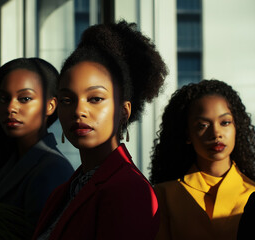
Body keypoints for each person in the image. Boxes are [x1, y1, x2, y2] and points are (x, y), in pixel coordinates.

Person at [32, 20, 168, 240]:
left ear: (124, 111)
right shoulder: (64, 192)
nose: (79, 111)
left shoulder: (130, 191)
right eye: (67, 100)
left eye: (95, 98)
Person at [150, 79, 255, 240]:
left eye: (225, 122)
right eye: (203, 125)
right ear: (188, 134)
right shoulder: (163, 195)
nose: (216, 133)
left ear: (237, 128)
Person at [0, 57, 74, 235]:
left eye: (25, 98)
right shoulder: (8, 162)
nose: (10, 108)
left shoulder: (52, 169)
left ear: (50, 106)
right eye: (3, 99)